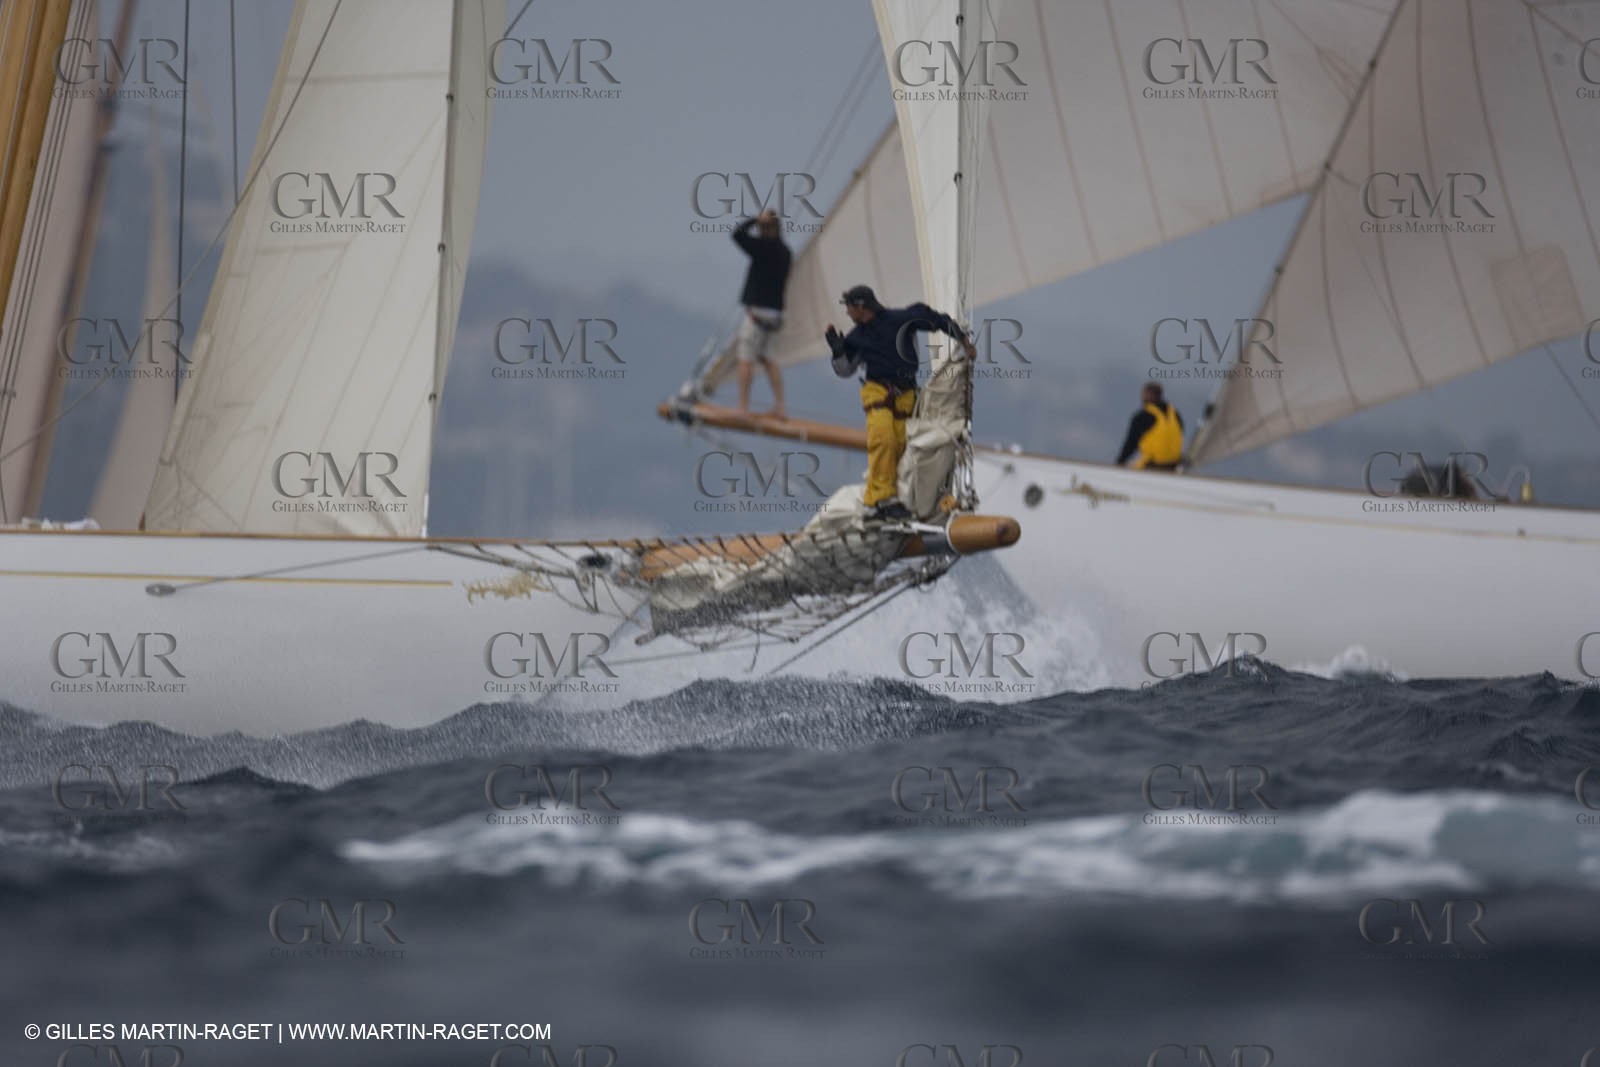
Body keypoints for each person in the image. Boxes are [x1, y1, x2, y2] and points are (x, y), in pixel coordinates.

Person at [825, 285, 974, 520]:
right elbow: (845, 370)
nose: (847, 313)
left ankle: (901, 499)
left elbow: (933, 319)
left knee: (902, 447)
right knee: (883, 440)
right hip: (877, 394)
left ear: (861, 306)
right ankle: (879, 501)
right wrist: (838, 352)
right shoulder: (856, 337)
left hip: (905, 395)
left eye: (849, 307)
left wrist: (962, 339)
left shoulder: (900, 320)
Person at [731, 208, 791, 416]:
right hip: (776, 315)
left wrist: (753, 220)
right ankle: (780, 406)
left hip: (756, 314)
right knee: (768, 358)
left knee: (745, 358)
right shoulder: (785, 252)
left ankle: (742, 407)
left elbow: (737, 234)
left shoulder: (761, 248)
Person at [1116, 383, 1185, 470]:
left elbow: (1131, 443)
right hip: (1174, 465)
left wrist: (1120, 462)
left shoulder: (1143, 416)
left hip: (1152, 465)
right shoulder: (1174, 414)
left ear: (1147, 395)